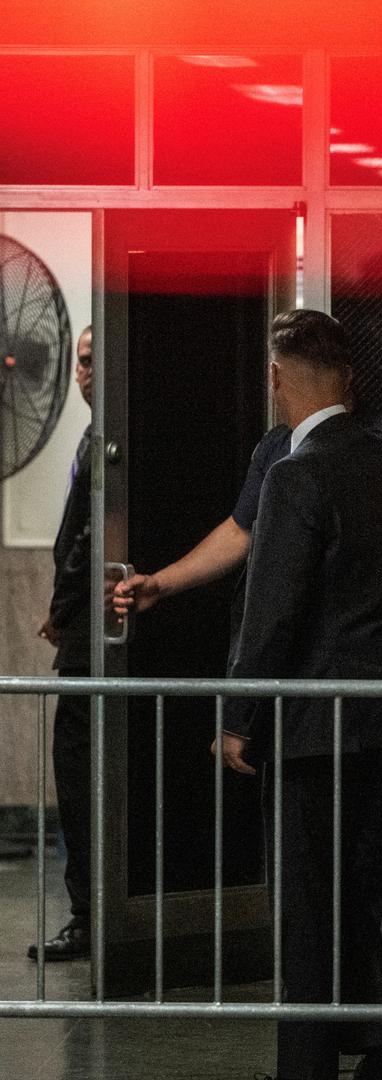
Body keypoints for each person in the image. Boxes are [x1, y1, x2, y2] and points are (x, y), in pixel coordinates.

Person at [218, 309, 382, 1080]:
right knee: (356, 896)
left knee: (305, 908)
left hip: (307, 724)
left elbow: (272, 608)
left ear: (277, 378)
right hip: (376, 715)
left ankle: (306, 1065)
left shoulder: (295, 474)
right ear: (349, 378)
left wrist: (240, 714)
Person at [111, 393, 382, 635]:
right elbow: (240, 532)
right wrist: (159, 584)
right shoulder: (279, 443)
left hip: (352, 643)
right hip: (287, 641)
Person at [30, 326, 96, 963]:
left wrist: (64, 604)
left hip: (93, 629)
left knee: (79, 771)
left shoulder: (109, 437)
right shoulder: (90, 435)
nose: (84, 371)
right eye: (79, 360)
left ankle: (89, 916)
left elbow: (87, 539)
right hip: (81, 623)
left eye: (96, 359)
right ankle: (88, 913)